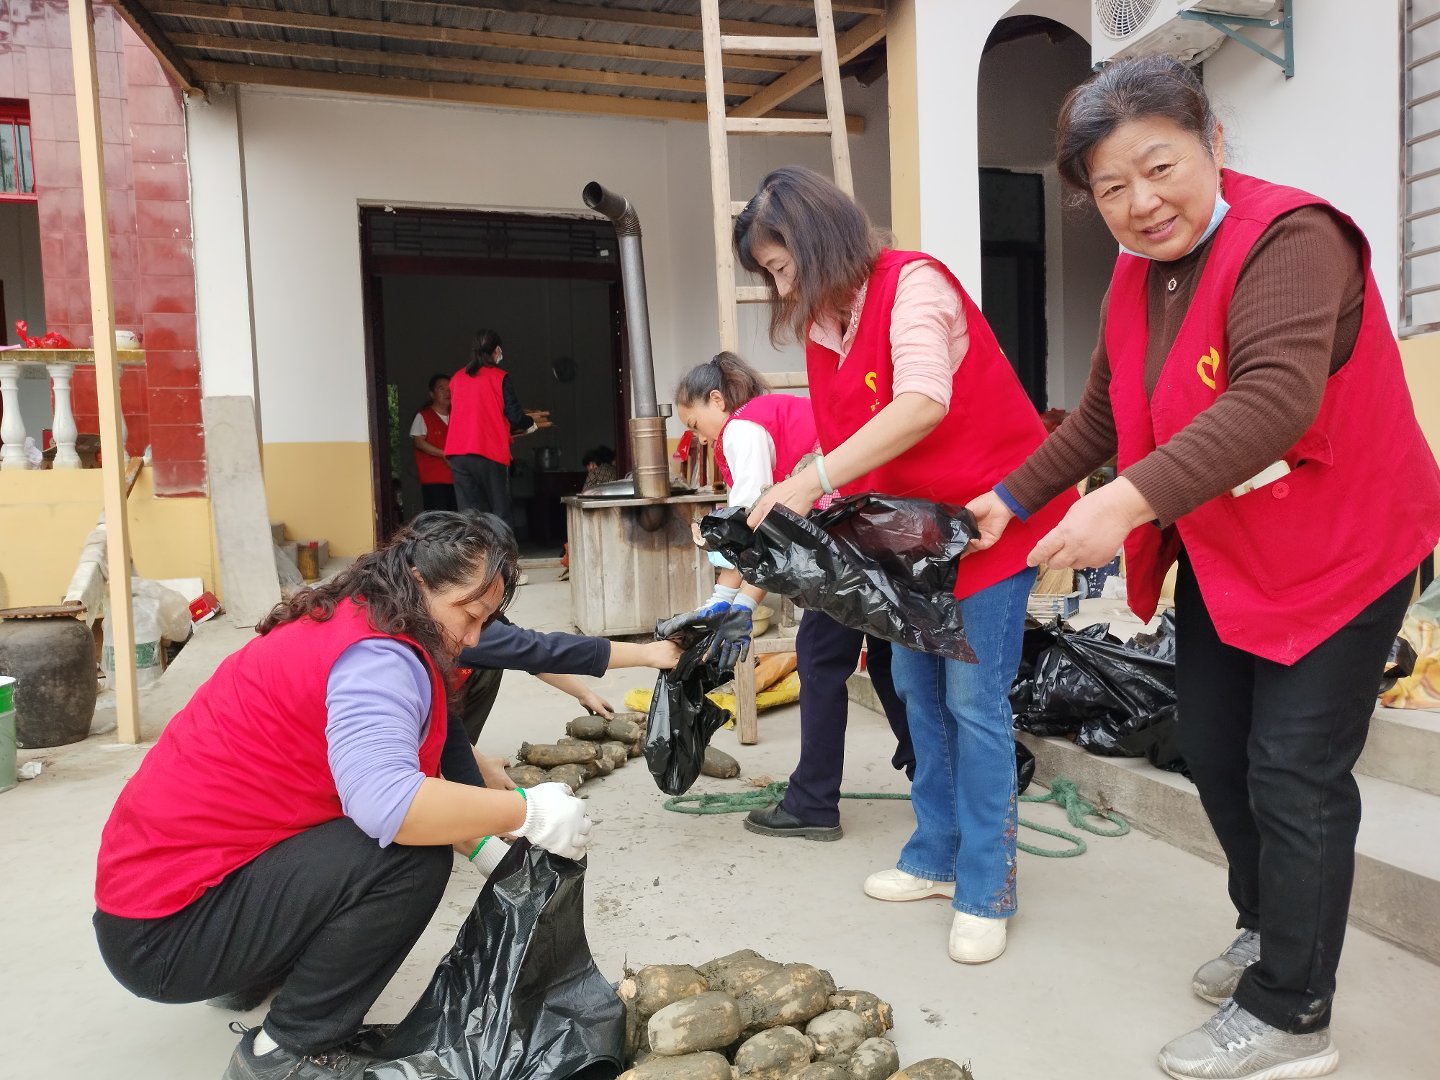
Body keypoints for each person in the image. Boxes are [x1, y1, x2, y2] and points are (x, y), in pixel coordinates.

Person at [964, 56, 1440, 1080]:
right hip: (1234, 551)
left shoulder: (1293, 238)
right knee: (1217, 751)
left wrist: (1121, 504)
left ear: (1214, 144)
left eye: (1160, 167)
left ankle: (1291, 1010)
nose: (1142, 203)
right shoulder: (1137, 276)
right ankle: (1269, 924)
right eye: (1111, 187)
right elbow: (1104, 413)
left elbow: (1273, 401)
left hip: (1346, 546)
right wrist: (1008, 498)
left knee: (1294, 770)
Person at [92, 512, 595, 1080]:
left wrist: (491, 851)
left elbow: (431, 774)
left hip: (161, 902)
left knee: (394, 827)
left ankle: (251, 970)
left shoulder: (357, 618)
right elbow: (392, 805)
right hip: (168, 934)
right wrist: (529, 810)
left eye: (486, 621)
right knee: (406, 856)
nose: (475, 638)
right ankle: (285, 1050)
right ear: (418, 581)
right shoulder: (377, 659)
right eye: (469, 614)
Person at [736, 166, 1075, 964]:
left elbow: (922, 401)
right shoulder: (827, 328)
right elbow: (849, 438)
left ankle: (987, 886)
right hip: (912, 540)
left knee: (974, 701)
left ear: (819, 240)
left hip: (987, 524)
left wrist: (808, 480)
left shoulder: (915, 284)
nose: (783, 288)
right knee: (919, 691)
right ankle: (935, 854)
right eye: (771, 275)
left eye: (783, 267)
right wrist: (808, 500)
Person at [669, 350, 914, 842]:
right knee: (889, 659)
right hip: (874, 522)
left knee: (820, 661)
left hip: (844, 537)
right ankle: (934, 774)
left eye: (695, 425)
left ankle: (813, 803)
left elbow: (755, 526)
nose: (700, 438)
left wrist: (733, 602)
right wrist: (730, 600)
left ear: (716, 400)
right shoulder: (773, 415)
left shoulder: (741, 427)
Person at [446, 329, 538, 520]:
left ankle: (473, 542)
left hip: (458, 454)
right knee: (499, 513)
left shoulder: (456, 378)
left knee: (469, 515)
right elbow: (515, 416)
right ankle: (502, 542)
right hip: (488, 451)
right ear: (497, 350)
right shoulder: (499, 377)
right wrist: (530, 423)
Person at [410, 373, 456, 512]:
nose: (447, 392)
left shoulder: (457, 415)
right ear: (432, 394)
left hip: (457, 479)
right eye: (441, 388)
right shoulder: (424, 415)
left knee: (457, 518)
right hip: (434, 480)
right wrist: (444, 454)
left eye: (449, 389)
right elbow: (419, 442)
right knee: (439, 518)